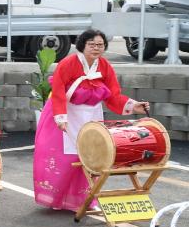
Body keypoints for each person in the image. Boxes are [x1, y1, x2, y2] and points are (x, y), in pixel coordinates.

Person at [32, 29, 149, 211]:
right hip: (67, 115)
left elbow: (113, 95)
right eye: (92, 45)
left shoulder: (105, 66)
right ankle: (58, 198)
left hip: (92, 115)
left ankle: (85, 199)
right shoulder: (68, 63)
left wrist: (134, 106)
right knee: (66, 159)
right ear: (82, 45)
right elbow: (58, 92)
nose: (96, 48)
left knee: (91, 157)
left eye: (100, 45)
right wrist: (61, 118)